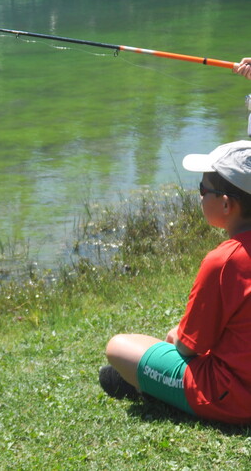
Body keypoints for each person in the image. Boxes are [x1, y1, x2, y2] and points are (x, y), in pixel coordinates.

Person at [100, 140, 251, 424]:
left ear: (227, 204)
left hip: (235, 398)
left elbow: (186, 348)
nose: (199, 197)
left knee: (119, 346)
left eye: (203, 190)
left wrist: (178, 334)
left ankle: (144, 386)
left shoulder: (224, 261)